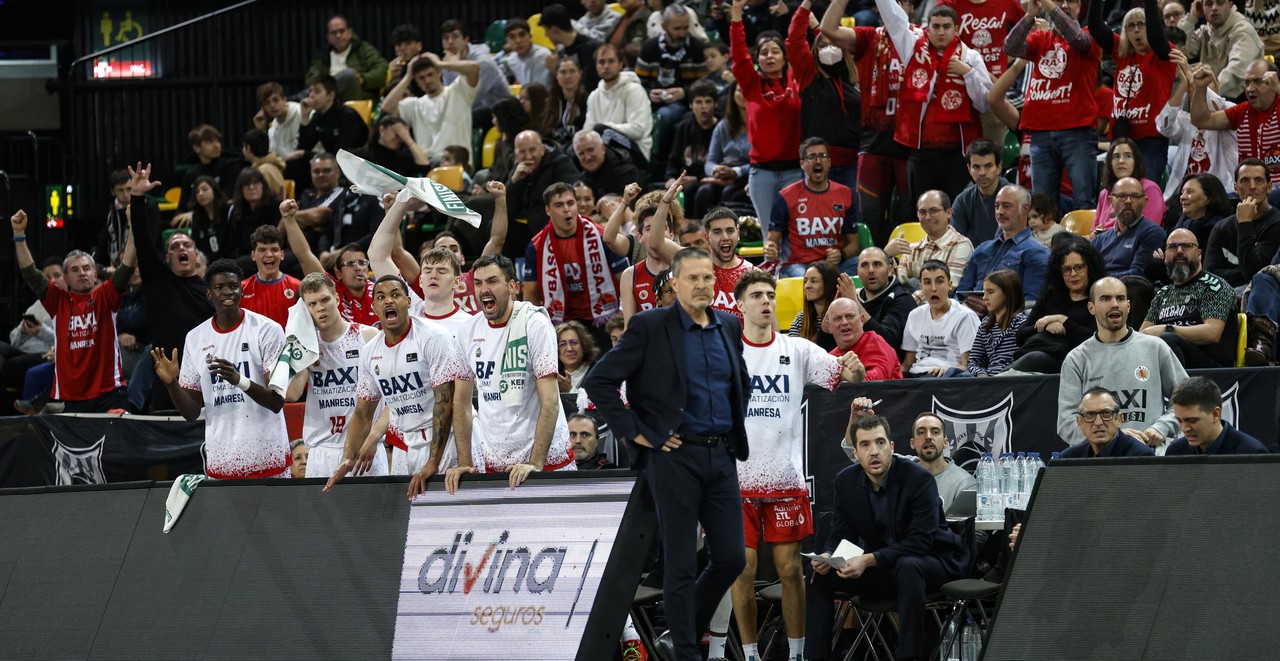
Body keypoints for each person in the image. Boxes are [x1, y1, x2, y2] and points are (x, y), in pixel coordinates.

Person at [585, 247, 750, 661]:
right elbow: (599, 381)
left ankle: (679, 634)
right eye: (693, 278)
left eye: (708, 278)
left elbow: (740, 383)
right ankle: (686, 653)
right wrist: (638, 434)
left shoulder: (729, 325)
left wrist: (732, 429)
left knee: (731, 557)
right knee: (681, 565)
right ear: (673, 283)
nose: (702, 285)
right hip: (673, 457)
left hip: (721, 456)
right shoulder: (649, 325)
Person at [732, 270, 856, 661]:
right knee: (743, 572)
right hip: (736, 481)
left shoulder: (798, 349)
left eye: (770, 294)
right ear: (740, 305)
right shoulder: (725, 352)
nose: (766, 301)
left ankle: (797, 653)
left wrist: (854, 367)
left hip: (785, 477)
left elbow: (847, 375)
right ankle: (751, 654)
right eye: (756, 295)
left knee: (789, 571)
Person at [804, 414, 969, 661]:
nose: (874, 451)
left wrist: (868, 560)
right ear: (856, 453)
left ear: (892, 447)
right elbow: (841, 533)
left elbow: (921, 542)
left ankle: (908, 657)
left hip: (936, 560)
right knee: (818, 574)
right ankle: (815, 657)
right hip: (887, 565)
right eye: (865, 445)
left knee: (909, 565)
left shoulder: (918, 479)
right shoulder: (846, 481)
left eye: (880, 443)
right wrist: (829, 555)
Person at [445, 255, 577, 495]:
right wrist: (465, 462)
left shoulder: (534, 323)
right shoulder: (467, 331)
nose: (484, 289)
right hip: (495, 463)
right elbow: (461, 402)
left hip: (545, 462)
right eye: (478, 283)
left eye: (492, 281)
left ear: (512, 286)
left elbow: (550, 401)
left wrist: (535, 463)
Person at [324, 274, 469, 493]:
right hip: (410, 442)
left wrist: (433, 461)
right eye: (381, 297)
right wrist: (348, 457)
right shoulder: (369, 352)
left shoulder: (433, 337)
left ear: (408, 301)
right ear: (374, 306)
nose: (388, 301)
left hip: (448, 438)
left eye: (395, 295)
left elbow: (445, 403)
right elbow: (363, 412)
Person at [153, 259, 289, 478]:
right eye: (219, 287)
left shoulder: (268, 330)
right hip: (222, 460)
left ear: (241, 290)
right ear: (209, 294)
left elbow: (276, 401)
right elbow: (191, 413)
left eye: (233, 286)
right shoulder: (196, 338)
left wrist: (239, 380)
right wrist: (171, 384)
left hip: (268, 456)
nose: (228, 292)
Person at [11, 209, 135, 412]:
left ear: (95, 275)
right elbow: (30, 274)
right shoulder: (57, 300)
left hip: (110, 393)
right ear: (66, 279)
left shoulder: (106, 296)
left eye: (87, 269)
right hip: (73, 397)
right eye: (75, 270)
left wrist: (133, 225)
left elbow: (128, 264)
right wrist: (19, 236)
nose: (82, 273)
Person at [819, 0, 917, 246]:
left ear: (911, 7)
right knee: (870, 217)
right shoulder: (869, 37)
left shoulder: (922, 38)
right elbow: (828, 29)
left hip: (912, 142)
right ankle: (874, 268)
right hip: (874, 141)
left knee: (906, 219)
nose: (893, 6)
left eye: (901, 2)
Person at [879, 0, 994, 203]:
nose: (941, 32)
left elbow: (984, 104)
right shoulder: (913, 49)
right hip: (920, 152)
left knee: (957, 214)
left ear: (956, 29)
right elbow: (893, 18)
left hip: (957, 154)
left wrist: (968, 73)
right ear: (927, 28)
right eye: (936, 27)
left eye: (947, 27)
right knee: (923, 213)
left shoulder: (971, 57)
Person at [124, 164, 216, 412]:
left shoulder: (212, 290)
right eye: (174, 247)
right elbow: (142, 239)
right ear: (166, 259)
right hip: (167, 382)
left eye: (187, 245)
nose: (181, 249)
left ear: (197, 256)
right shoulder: (158, 282)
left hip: (209, 382)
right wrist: (138, 196)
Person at [1057, 277, 1187, 450]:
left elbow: (1187, 399)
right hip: (1100, 463)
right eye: (1105, 298)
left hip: (1149, 457)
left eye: (1120, 298)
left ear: (1128, 305)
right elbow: (1066, 423)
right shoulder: (1077, 359)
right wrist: (1114, 437)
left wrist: (1162, 427)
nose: (1114, 304)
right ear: (1091, 307)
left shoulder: (1155, 348)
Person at [284, 273, 388, 478]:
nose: (320, 308)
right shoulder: (307, 346)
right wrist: (299, 348)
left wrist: (375, 436)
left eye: (325, 300)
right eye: (312, 304)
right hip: (321, 450)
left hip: (365, 448)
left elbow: (394, 396)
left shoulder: (368, 337)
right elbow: (291, 394)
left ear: (337, 299)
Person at [1004, 0, 1103, 210]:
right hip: (1040, 132)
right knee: (1042, 206)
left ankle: (1083, 244)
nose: (1066, 5)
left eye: (1073, 1)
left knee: (1083, 202)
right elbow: (1010, 47)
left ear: (1081, 7)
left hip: (1077, 132)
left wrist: (1049, 4)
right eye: (1060, 0)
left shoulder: (1089, 34)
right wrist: (1029, 15)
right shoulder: (1041, 38)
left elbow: (1076, 38)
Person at [730, 0, 805, 223]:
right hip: (761, 173)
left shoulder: (797, 78)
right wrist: (736, 13)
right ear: (758, 60)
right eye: (763, 53)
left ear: (785, 57)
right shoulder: (751, 85)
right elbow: (739, 54)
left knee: (795, 231)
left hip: (795, 169)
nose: (769, 56)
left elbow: (797, 43)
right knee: (769, 234)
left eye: (775, 52)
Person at [521, 181, 629, 332]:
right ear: (548, 210)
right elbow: (530, 295)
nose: (567, 209)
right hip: (560, 323)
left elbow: (626, 281)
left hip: (602, 319)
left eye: (570, 203)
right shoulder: (536, 246)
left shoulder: (602, 236)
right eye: (559, 205)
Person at [1089, 0, 1175, 181]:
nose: (1136, 30)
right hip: (1120, 137)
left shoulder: (1163, 54)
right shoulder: (1123, 53)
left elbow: (1157, 38)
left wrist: (1150, 5)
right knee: (1115, 189)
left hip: (1151, 140)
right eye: (1130, 26)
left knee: (1145, 189)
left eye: (1141, 25)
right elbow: (1095, 28)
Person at [648, 190, 757, 319]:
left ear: (738, 235)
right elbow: (655, 242)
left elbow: (770, 327)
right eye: (717, 232)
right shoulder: (693, 263)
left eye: (730, 231)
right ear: (707, 237)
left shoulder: (753, 274)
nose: (725, 237)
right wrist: (665, 202)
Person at [1140, 229, 1237, 369]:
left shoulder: (1215, 286)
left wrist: (1168, 329)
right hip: (1166, 360)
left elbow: (1212, 333)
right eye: (1172, 247)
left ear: (1199, 254)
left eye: (1186, 245)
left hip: (1212, 369)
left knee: (1168, 339)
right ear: (1165, 256)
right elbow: (1144, 333)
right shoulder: (1163, 293)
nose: (1179, 250)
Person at [791, 1, 862, 193]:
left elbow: (830, 39)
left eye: (833, 44)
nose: (828, 49)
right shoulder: (809, 76)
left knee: (852, 219)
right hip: (817, 164)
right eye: (822, 46)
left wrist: (818, 28)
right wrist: (806, 4)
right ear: (816, 51)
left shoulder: (855, 75)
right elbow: (795, 40)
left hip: (853, 164)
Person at [765, 137, 861, 277]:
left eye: (823, 156)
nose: (818, 161)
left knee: (864, 265)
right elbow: (771, 241)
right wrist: (770, 249)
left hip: (833, 266)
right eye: (812, 157)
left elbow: (854, 244)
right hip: (798, 266)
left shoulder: (845, 194)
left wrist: (841, 254)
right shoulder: (786, 197)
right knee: (807, 279)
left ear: (829, 162)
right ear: (802, 163)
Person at [1157, 51, 1237, 215]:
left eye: (1206, 82)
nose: (1199, 86)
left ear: (1216, 87)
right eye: (1194, 84)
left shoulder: (1229, 111)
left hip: (1221, 193)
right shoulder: (1186, 120)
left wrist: (1195, 82)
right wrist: (1182, 86)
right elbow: (1163, 126)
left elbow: (1217, 105)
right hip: (1185, 195)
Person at [1010, 237, 1104, 373]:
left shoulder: (1098, 299)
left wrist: (1063, 320)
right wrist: (1047, 326)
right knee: (1034, 358)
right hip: (1039, 354)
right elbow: (1021, 335)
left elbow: (1095, 339)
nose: (1073, 274)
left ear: (1090, 268)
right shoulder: (1050, 296)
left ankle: (994, 385)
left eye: (1079, 268)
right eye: (1067, 269)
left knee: (1035, 359)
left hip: (1076, 364)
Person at [637, 3, 708, 178]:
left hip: (685, 103)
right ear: (664, 26)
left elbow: (705, 85)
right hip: (651, 100)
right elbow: (638, 80)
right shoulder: (650, 47)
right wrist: (647, 93)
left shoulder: (697, 48)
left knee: (665, 116)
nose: (682, 33)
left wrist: (684, 92)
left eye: (685, 27)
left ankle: (657, 167)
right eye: (677, 28)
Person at [956, 185, 1050, 312]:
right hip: (968, 318)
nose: (999, 212)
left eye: (1006, 206)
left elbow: (1031, 307)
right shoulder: (982, 249)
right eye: (997, 206)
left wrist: (994, 309)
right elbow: (961, 294)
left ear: (1024, 209)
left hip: (1006, 325)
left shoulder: (1037, 253)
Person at [1192, 58, 1280, 187]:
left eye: (1257, 81)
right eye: (1247, 83)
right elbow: (1201, 120)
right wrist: (1200, 89)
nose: (1250, 89)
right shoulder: (1243, 110)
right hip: (1247, 190)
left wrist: (1278, 87)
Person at [381, 52, 480, 164]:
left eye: (430, 74)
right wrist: (408, 76)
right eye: (421, 78)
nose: (427, 81)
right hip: (427, 165)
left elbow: (474, 68)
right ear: (417, 82)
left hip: (456, 163)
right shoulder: (415, 105)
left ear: (438, 73)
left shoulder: (458, 91)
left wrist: (440, 64)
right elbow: (386, 109)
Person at [505, 130, 582, 257]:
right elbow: (506, 212)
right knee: (496, 226)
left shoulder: (560, 163)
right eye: (522, 152)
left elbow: (571, 196)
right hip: (530, 229)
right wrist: (514, 182)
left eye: (532, 150)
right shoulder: (517, 169)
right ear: (515, 154)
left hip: (554, 227)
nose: (528, 156)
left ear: (542, 149)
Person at [1205, 159, 1280, 288]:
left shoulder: (1277, 223)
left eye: (1259, 180)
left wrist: (1245, 223)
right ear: (1235, 187)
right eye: (1245, 181)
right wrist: (1243, 273)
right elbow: (1209, 276)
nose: (1252, 186)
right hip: (1225, 295)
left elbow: (1256, 275)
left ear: (1269, 187)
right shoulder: (1221, 227)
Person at [890, 189, 975, 296]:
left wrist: (904, 303)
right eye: (922, 212)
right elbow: (895, 284)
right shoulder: (912, 249)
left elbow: (944, 288)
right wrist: (886, 255)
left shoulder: (961, 245)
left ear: (948, 213)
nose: (928, 217)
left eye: (934, 211)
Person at [1178, 0, 1265, 100]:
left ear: (1230, 4)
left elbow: (1236, 71)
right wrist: (1191, 18)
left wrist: (1209, 91)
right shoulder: (1206, 30)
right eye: (1209, 4)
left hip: (1242, 100)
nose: (1214, 8)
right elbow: (1178, 48)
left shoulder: (1243, 31)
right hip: (1214, 97)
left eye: (1220, 3)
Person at [1166, 376, 1270, 455]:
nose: (1184, 429)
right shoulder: (1175, 452)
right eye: (1179, 421)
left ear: (1216, 414)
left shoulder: (1252, 453)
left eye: (1192, 421)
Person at [584, 44, 654, 159]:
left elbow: (638, 130)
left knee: (602, 131)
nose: (606, 66)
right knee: (576, 147)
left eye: (611, 61)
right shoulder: (594, 96)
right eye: (601, 62)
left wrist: (606, 127)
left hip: (636, 152)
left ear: (620, 64)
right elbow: (588, 130)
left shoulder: (634, 90)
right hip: (604, 149)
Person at [1091, 177, 1167, 278]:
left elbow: (1137, 274)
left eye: (1135, 196)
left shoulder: (1152, 233)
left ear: (1144, 202)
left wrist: (1098, 278)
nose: (1128, 201)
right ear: (1111, 201)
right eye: (1122, 196)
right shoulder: (1099, 240)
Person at [305, 15, 388, 102]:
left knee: (349, 75)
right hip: (329, 101)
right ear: (328, 37)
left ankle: (298, 97)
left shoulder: (363, 49)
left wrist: (363, 79)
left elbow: (383, 70)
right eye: (334, 33)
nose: (338, 35)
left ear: (350, 32)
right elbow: (311, 79)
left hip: (358, 99)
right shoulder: (322, 56)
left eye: (342, 31)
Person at [699, 81, 752, 215]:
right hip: (724, 173)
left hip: (749, 173)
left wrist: (736, 171)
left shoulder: (763, 123)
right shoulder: (723, 126)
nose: (743, 95)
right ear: (733, 95)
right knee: (703, 193)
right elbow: (710, 161)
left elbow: (764, 161)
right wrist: (717, 170)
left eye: (747, 91)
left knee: (730, 193)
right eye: (739, 91)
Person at [1058, 387, 1156, 458]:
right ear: (1079, 422)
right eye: (1090, 415)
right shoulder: (1068, 459)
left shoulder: (1141, 457)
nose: (1098, 422)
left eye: (1106, 413)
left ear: (1119, 419)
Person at [665, 80, 720, 208]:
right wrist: (671, 178)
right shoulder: (684, 127)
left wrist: (698, 179)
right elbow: (674, 158)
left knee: (701, 192)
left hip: (710, 181)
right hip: (684, 180)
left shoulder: (722, 128)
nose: (704, 107)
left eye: (708, 101)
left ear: (716, 104)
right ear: (691, 105)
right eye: (698, 102)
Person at [854, 246, 918, 356]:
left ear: (890, 270)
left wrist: (855, 304)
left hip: (892, 369)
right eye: (864, 265)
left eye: (877, 264)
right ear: (858, 272)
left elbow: (887, 343)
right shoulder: (855, 297)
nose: (871, 270)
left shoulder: (902, 299)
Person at [1094, 138, 1167, 231]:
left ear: (1136, 161)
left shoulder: (1150, 189)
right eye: (1116, 156)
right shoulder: (1105, 193)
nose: (1121, 161)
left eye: (1127, 156)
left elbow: (1148, 230)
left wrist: (1107, 235)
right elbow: (1095, 228)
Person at [909, 411, 978, 510]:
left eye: (935, 432)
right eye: (921, 432)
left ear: (945, 442)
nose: (928, 437)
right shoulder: (901, 476)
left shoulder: (964, 483)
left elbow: (963, 525)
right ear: (913, 443)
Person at [174, 124, 245, 218]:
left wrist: (196, 214)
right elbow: (182, 208)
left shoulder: (230, 166)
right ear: (197, 148)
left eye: (218, 141)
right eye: (210, 141)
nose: (217, 145)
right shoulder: (191, 175)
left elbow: (227, 199)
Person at [950, 139, 1013, 245]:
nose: (982, 173)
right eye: (976, 167)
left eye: (988, 166)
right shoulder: (963, 200)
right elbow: (955, 242)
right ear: (969, 169)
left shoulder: (1016, 197)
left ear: (999, 168)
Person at [826, 297, 905, 381]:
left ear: (862, 320)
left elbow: (875, 383)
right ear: (829, 326)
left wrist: (857, 375)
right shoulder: (830, 358)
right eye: (838, 318)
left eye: (849, 316)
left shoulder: (877, 344)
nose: (844, 322)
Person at [967, 269, 1027, 376]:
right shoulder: (985, 325)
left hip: (1012, 379)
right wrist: (981, 374)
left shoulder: (1021, 323)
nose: (984, 298)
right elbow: (973, 361)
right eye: (984, 292)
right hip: (989, 380)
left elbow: (1025, 362)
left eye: (990, 292)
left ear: (1007, 293)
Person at [239, 224, 300, 328]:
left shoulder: (297, 287)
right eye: (262, 250)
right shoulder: (241, 290)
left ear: (282, 255)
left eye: (274, 250)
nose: (269, 255)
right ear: (253, 255)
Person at [297, 75, 370, 155]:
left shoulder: (348, 116)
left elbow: (342, 155)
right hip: (334, 160)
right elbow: (303, 147)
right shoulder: (317, 117)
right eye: (310, 91)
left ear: (331, 95)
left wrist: (305, 154)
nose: (311, 95)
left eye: (317, 91)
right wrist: (305, 117)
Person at [541, 3, 604, 94]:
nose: (545, 35)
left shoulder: (590, 49)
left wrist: (555, 71)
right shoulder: (560, 52)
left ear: (555, 30)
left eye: (546, 31)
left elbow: (587, 88)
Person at [1165, 173, 1234, 255]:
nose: (1182, 197)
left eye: (1189, 192)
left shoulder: (1221, 231)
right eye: (1182, 192)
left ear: (1208, 198)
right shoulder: (1178, 226)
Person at [573, 128, 649, 198]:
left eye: (590, 150)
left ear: (603, 148)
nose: (587, 157)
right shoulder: (582, 181)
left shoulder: (628, 173)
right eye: (581, 153)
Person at [252, 82, 304, 173]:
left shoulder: (302, 113)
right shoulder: (272, 128)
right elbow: (270, 156)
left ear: (284, 100)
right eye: (267, 103)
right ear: (263, 108)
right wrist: (260, 131)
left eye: (275, 100)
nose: (272, 105)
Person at [788, 262, 839, 350]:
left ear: (828, 284)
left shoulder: (842, 318)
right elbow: (792, 352)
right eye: (805, 281)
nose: (807, 286)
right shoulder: (800, 319)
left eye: (814, 281)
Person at [542, 55, 591, 145]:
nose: (568, 76)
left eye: (572, 71)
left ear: (580, 74)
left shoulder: (588, 100)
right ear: (556, 75)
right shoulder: (551, 100)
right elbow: (546, 130)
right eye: (563, 72)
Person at [183, 176, 233, 261]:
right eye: (197, 192)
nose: (200, 194)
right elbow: (196, 245)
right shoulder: (196, 217)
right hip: (207, 264)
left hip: (230, 260)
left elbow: (232, 245)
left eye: (205, 189)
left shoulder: (228, 211)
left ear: (214, 190)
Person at [497, 18, 554, 88]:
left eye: (522, 35)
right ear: (507, 41)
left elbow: (540, 91)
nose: (518, 41)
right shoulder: (510, 60)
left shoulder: (542, 55)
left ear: (530, 36)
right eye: (512, 37)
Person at [93, 168, 131, 270]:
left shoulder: (148, 207)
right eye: (120, 190)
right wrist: (93, 264)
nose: (126, 195)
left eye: (129, 189)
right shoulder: (111, 212)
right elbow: (103, 241)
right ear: (113, 192)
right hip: (116, 266)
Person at [556, 320, 600, 393]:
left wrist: (570, 390)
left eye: (574, 342)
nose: (569, 349)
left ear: (584, 345)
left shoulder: (598, 372)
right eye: (562, 344)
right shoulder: (553, 376)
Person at [242, 128, 286, 198]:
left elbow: (263, 199)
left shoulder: (263, 171)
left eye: (244, 146)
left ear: (248, 148)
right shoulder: (271, 165)